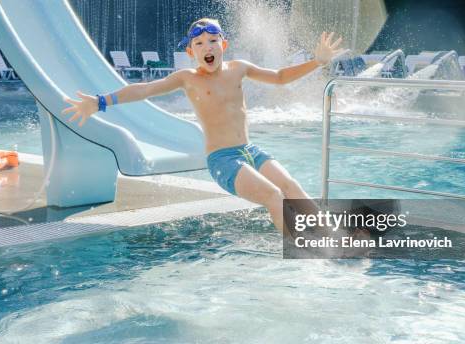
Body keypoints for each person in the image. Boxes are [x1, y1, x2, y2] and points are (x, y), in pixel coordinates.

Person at [62, 18, 344, 232]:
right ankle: (308, 253)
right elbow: (144, 90)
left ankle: (331, 235)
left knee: (291, 186)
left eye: (212, 41)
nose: (206, 47)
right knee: (273, 196)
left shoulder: (239, 68)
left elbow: (281, 76)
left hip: (250, 151)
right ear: (191, 51)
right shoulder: (188, 78)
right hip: (223, 160)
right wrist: (100, 102)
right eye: (199, 44)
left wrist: (317, 62)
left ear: (223, 45)